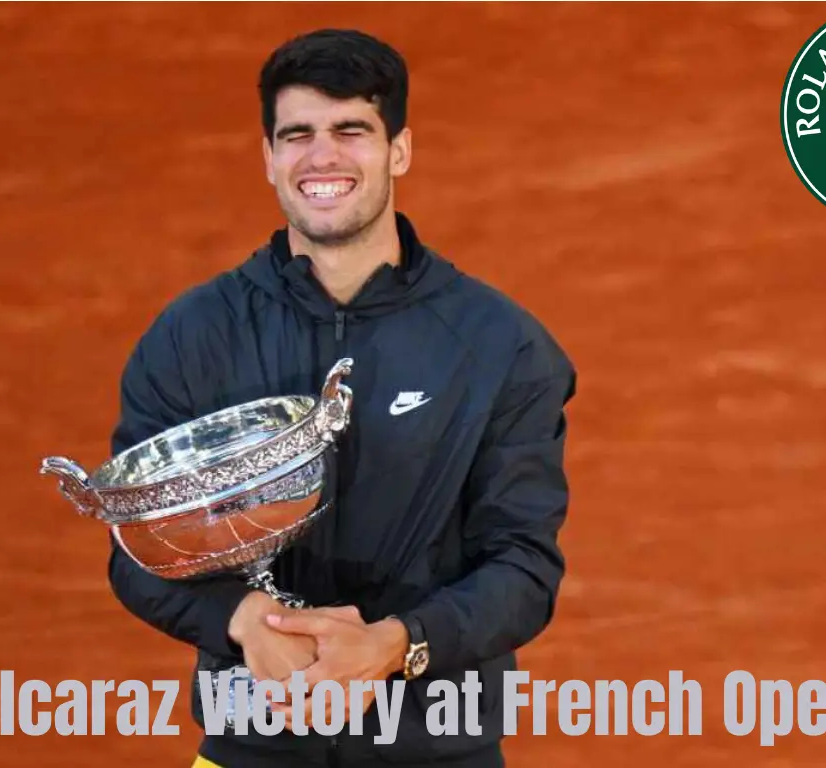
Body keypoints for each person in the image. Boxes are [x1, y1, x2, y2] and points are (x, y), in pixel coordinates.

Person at [107, 28, 576, 768]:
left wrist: (392, 645)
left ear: (399, 150)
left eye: (350, 130)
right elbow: (138, 547)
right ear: (268, 158)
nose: (321, 157)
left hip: (434, 749)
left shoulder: (499, 345)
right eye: (297, 135)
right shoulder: (192, 335)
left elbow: (522, 566)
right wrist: (244, 622)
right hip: (248, 745)